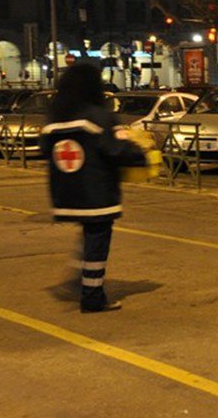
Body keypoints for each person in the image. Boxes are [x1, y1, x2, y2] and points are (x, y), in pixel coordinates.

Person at [39, 64, 146, 313]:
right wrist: (141, 155)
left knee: (87, 238)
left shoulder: (55, 117)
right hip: (97, 193)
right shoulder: (99, 116)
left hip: (66, 192)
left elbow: (45, 148)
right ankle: (92, 297)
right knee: (97, 244)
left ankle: (79, 280)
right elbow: (117, 149)